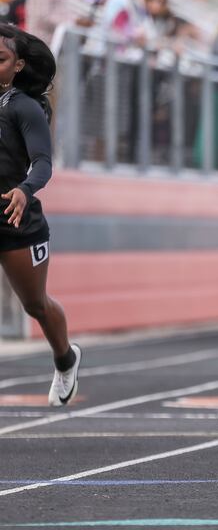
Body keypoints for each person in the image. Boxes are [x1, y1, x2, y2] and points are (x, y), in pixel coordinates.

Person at [0, 23, 81, 406]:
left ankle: (65, 359)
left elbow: (44, 164)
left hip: (17, 220)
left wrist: (24, 189)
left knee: (35, 305)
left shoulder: (24, 107)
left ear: (17, 65)